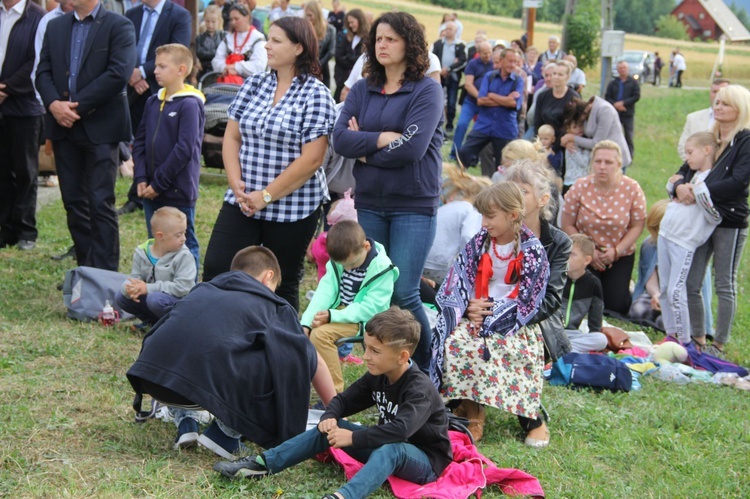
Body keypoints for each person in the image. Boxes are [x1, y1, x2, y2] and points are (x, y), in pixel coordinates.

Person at [212, 307, 453, 499]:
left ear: (402, 357)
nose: (366, 356)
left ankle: (342, 496)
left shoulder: (419, 389)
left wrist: (354, 438)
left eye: (375, 351)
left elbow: (401, 430)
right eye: (365, 348)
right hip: (385, 445)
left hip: (424, 462)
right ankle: (262, 464)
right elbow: (344, 400)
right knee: (330, 427)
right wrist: (329, 417)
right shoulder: (379, 374)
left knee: (392, 448)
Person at [127, 246, 336, 455]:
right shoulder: (272, 306)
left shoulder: (201, 290)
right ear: (267, 277)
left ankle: (186, 423)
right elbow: (309, 357)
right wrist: (336, 412)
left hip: (153, 381)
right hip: (193, 390)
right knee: (283, 356)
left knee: (188, 348)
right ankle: (225, 435)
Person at [332, 11, 444, 371]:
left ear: (410, 45)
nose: (382, 44)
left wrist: (363, 149)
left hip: (413, 204)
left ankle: (427, 368)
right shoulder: (364, 88)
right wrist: (379, 140)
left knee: (404, 291)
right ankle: (388, 367)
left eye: (391, 39)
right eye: (378, 39)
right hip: (371, 202)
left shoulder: (427, 90)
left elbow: (413, 148)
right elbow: (339, 138)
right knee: (378, 288)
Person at [202, 16, 335, 311]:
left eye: (276, 40)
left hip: (293, 206)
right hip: (243, 198)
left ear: (298, 48)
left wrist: (266, 196)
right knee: (217, 269)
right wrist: (235, 182)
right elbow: (232, 137)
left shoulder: (316, 94)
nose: (267, 45)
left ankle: (280, 348)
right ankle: (218, 333)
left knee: (282, 282)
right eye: (268, 38)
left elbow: (312, 158)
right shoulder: (255, 83)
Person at [431, 181, 550, 445]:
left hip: (515, 323)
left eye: (491, 216)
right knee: (452, 342)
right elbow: (458, 279)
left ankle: (532, 420)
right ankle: (473, 412)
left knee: (500, 348)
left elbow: (529, 299)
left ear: (513, 215)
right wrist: (469, 305)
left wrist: (493, 313)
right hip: (473, 314)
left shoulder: (532, 250)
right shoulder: (479, 243)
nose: (484, 222)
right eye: (483, 215)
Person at [36, 0, 137, 271]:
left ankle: (104, 276)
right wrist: (54, 105)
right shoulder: (56, 26)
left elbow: (118, 73)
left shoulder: (119, 25)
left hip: (100, 128)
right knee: (74, 202)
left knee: (100, 201)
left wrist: (75, 107)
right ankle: (86, 271)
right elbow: (43, 71)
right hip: (63, 127)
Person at [673, 85, 750, 357]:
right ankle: (698, 338)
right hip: (699, 219)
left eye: (726, 104)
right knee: (692, 281)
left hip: (729, 221)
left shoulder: (745, 140)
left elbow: (740, 182)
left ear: (739, 109)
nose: (718, 108)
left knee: (724, 283)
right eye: (717, 102)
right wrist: (680, 185)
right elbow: (686, 166)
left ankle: (720, 343)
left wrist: (699, 190)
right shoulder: (711, 135)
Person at [132, 44, 205, 272]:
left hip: (177, 190)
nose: (156, 71)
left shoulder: (190, 104)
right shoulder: (153, 101)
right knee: (157, 239)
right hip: (150, 189)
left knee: (183, 242)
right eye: (156, 66)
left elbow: (185, 148)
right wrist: (141, 177)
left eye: (162, 66)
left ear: (181, 69)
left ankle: (187, 290)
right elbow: (140, 141)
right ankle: (158, 285)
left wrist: (159, 183)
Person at [302, 220, 398, 393]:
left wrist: (332, 316)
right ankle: (317, 391)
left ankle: (334, 396)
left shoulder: (383, 267)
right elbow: (324, 292)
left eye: (352, 264)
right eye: (343, 266)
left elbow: (371, 308)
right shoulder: (339, 262)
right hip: (341, 312)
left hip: (369, 320)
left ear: (366, 246)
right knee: (304, 332)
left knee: (320, 336)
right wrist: (306, 323)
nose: (348, 269)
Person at [117, 0, 192, 217]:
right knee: (139, 141)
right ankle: (137, 193)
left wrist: (143, 72)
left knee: (162, 143)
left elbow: (179, 49)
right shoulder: (131, 14)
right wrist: (132, 74)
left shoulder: (179, 15)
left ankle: (159, 190)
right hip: (133, 88)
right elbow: (124, 47)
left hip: (161, 88)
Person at [561, 141, 646, 315]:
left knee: (615, 306)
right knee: (586, 303)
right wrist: (590, 252)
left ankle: (625, 284)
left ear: (619, 165)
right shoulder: (580, 186)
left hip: (619, 253)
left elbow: (637, 226)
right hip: (586, 253)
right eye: (598, 161)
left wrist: (616, 251)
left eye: (608, 163)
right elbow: (567, 224)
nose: (602, 167)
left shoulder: (632, 188)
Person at [505, 160, 573, 363]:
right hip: (490, 314)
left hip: (534, 321)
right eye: (511, 190)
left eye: (523, 191)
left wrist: (508, 316)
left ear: (542, 200)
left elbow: (551, 299)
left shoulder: (559, 242)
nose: (514, 196)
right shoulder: (492, 230)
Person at [660, 132, 721, 345]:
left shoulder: (711, 179)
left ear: (707, 150)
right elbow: (673, 187)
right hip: (665, 233)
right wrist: (676, 187)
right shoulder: (691, 174)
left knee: (677, 291)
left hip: (684, 241)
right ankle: (671, 334)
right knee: (665, 289)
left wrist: (698, 193)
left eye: (690, 152)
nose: (687, 158)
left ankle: (685, 341)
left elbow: (714, 216)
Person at [0, 0, 45, 251]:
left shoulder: (37, 16)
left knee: (26, 171)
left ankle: (26, 230)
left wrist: (7, 89)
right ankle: (5, 228)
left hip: (25, 107)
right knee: (3, 170)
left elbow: (36, 60)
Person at [116, 207, 196, 325]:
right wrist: (130, 289)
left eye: (184, 232)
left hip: (179, 302)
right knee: (122, 297)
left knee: (155, 300)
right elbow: (134, 277)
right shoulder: (141, 252)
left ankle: (174, 325)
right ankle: (152, 323)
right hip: (154, 298)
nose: (184, 238)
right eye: (178, 235)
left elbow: (184, 287)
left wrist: (148, 288)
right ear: (160, 236)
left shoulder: (184, 256)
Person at [458, 48, 523, 178]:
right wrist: (505, 99)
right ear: (502, 60)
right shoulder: (490, 76)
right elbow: (481, 100)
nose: (512, 65)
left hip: (505, 128)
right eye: (510, 61)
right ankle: (457, 181)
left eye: (515, 62)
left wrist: (492, 95)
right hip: (484, 125)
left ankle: (499, 193)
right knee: (464, 153)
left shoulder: (518, 80)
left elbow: (514, 104)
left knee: (504, 164)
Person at [423, 165, 489, 285]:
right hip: (439, 262)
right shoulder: (472, 210)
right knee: (469, 283)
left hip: (423, 257)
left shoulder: (453, 206)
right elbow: (468, 236)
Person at [562, 234, 608, 353]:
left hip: (573, 334)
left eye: (571, 254)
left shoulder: (593, 283)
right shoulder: (556, 277)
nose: (566, 257)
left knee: (601, 339)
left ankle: (563, 349)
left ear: (587, 260)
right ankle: (565, 349)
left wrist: (594, 331)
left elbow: (596, 316)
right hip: (551, 331)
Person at [560, 96, 632, 170]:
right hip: (598, 160)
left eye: (579, 123)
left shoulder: (605, 110)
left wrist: (572, 138)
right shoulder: (588, 112)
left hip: (614, 157)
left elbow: (597, 143)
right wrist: (567, 141)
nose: (580, 125)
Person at [628, 199, 668, 330]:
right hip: (654, 295)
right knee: (637, 311)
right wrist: (656, 295)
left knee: (666, 322)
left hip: (679, 300)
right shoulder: (649, 245)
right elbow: (649, 279)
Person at [450, 41, 492, 161]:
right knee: (462, 124)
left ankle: (474, 156)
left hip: (486, 104)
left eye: (490, 52)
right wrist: (480, 98)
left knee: (480, 131)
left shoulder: (494, 64)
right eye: (485, 53)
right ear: (478, 53)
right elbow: (468, 85)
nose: (488, 55)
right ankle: (455, 152)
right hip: (471, 102)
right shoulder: (472, 64)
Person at [211, 3, 267, 82]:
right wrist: (225, 67)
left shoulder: (258, 39)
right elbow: (216, 60)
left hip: (249, 85)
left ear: (247, 17)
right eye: (231, 19)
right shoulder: (228, 37)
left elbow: (259, 66)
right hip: (225, 85)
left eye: (236, 19)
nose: (233, 22)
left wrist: (236, 67)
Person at [677, 78, 730, 161]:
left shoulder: (739, 122)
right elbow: (683, 146)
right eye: (714, 92)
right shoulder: (693, 118)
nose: (717, 95)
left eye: (722, 92)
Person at [534, 60, 579, 154]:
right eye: (554, 73)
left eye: (560, 74)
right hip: (544, 144)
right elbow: (537, 122)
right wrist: (541, 145)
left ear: (568, 77)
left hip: (564, 145)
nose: (555, 77)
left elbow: (571, 126)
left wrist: (554, 149)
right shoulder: (542, 96)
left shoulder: (574, 98)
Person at [432, 21, 466, 133]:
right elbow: (433, 58)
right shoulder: (438, 44)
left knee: (451, 102)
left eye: (450, 29)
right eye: (446, 28)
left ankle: (449, 125)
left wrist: (449, 68)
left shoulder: (460, 46)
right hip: (439, 76)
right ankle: (436, 122)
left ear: (456, 31)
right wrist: (439, 70)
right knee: (436, 99)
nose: (447, 31)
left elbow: (462, 61)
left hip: (453, 77)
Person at [605, 60, 640, 159]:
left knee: (628, 136)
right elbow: (607, 97)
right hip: (615, 113)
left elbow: (636, 96)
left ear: (628, 69)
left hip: (628, 113)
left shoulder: (633, 82)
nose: (622, 70)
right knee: (613, 134)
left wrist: (624, 103)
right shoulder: (613, 83)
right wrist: (615, 105)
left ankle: (629, 156)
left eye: (624, 68)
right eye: (620, 68)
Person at [332, 8, 367, 102]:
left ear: (360, 21)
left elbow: (362, 60)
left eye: (352, 22)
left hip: (357, 83)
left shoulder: (367, 39)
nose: (350, 25)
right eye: (349, 23)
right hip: (342, 80)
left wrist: (347, 58)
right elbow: (338, 56)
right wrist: (352, 60)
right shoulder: (345, 37)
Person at [305, 0, 335, 89]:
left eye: (310, 15)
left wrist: (318, 65)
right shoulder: (303, 29)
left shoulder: (330, 30)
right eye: (306, 15)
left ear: (317, 14)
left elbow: (331, 51)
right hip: (304, 70)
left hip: (322, 71)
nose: (308, 18)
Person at [195, 5, 226, 80]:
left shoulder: (224, 36)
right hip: (204, 72)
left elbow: (226, 53)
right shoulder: (200, 37)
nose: (210, 25)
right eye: (207, 21)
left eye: (213, 22)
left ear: (219, 21)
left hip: (220, 72)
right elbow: (200, 53)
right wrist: (217, 53)